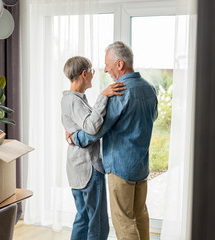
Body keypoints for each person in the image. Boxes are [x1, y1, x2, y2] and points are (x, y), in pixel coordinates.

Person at [67, 41, 158, 240]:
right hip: (141, 167)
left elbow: (97, 129)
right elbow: (152, 118)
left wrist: (76, 138)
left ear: (119, 64)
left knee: (124, 222)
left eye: (107, 64)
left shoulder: (120, 91)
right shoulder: (149, 89)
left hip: (120, 168)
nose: (105, 69)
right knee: (141, 217)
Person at [61, 56, 126, 240]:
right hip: (88, 168)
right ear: (84, 73)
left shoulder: (68, 100)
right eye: (92, 71)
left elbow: (83, 128)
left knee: (82, 218)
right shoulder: (75, 101)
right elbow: (91, 127)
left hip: (75, 167)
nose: (93, 75)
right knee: (97, 222)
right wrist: (103, 96)